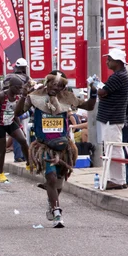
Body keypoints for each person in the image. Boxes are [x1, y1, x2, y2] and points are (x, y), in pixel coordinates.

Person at [15, 71, 97, 227]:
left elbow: (89, 106)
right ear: (47, 82)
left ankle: (52, 200)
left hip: (63, 146)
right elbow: (18, 112)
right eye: (53, 84)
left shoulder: (67, 98)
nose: (56, 88)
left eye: (60, 85)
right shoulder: (35, 96)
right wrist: (23, 96)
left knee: (58, 182)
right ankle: (57, 211)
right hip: (44, 146)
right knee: (51, 177)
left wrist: (93, 91)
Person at [0, 74, 29, 183]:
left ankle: (29, 163)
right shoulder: (0, 96)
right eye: (17, 88)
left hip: (11, 122)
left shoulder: (18, 97)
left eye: (20, 88)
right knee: (2, 150)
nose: (19, 90)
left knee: (23, 140)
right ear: (11, 86)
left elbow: (16, 112)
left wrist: (20, 127)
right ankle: (0, 174)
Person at [97, 49, 128, 190]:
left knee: (113, 148)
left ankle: (117, 180)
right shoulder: (119, 76)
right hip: (112, 117)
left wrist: (96, 86)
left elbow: (102, 92)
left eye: (109, 60)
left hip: (112, 117)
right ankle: (116, 179)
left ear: (117, 62)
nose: (107, 62)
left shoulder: (118, 77)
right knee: (112, 148)